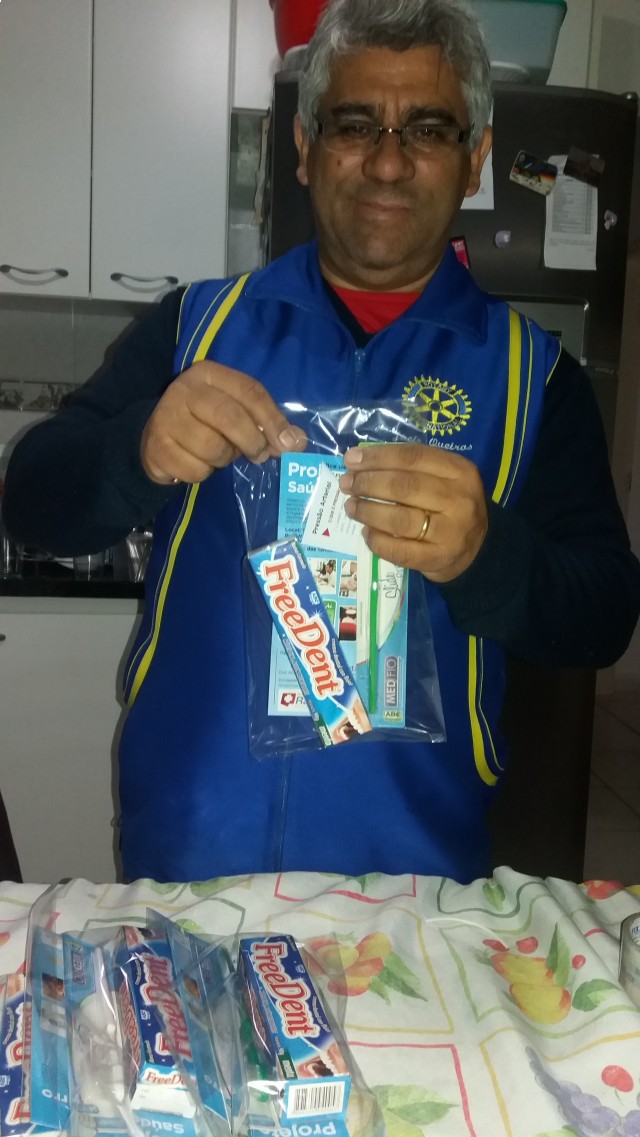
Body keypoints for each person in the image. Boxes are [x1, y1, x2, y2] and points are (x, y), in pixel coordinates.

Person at [4, 0, 640, 884]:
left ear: (475, 159)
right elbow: (32, 500)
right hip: (188, 861)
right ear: (304, 146)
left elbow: (605, 612)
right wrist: (135, 451)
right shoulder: (194, 330)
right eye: (354, 125)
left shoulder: (535, 380)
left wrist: (488, 555)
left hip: (412, 886)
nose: (388, 160)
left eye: (428, 129)